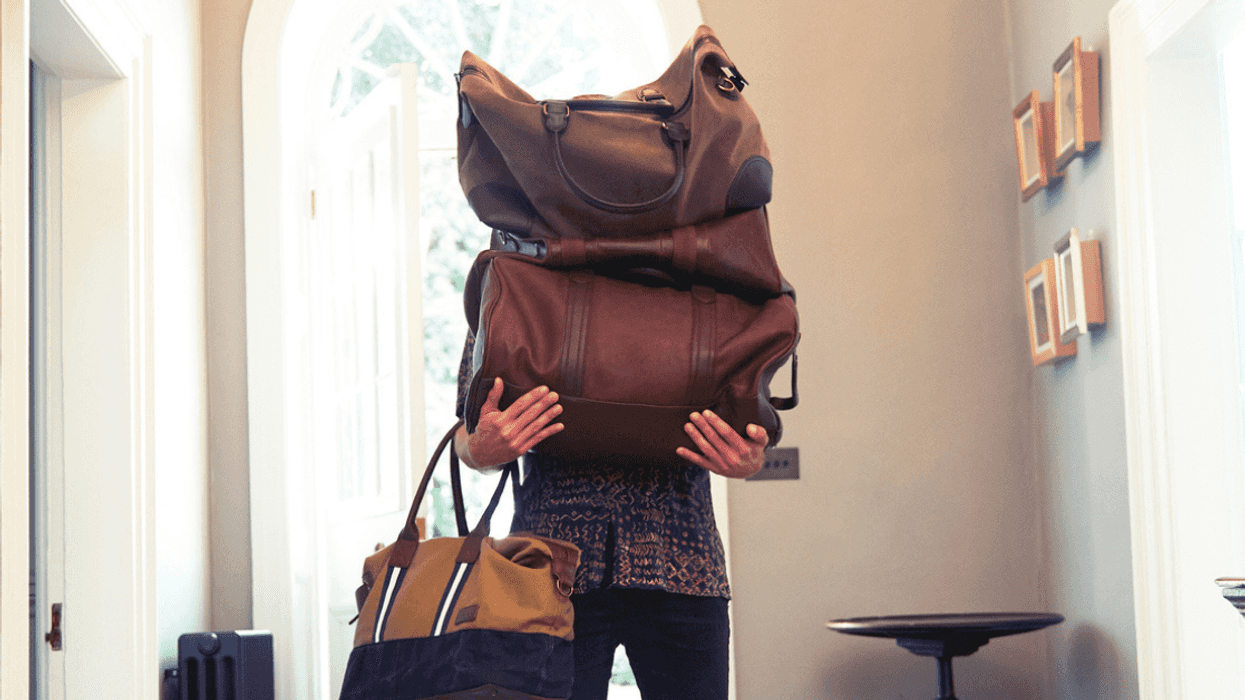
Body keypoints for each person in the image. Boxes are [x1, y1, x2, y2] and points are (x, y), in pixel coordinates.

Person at [453, 330, 768, 700]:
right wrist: (478, 449)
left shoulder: (703, 278)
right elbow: (467, 427)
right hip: (550, 571)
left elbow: (749, 409)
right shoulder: (512, 279)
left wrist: (749, 455)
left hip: (683, 565)